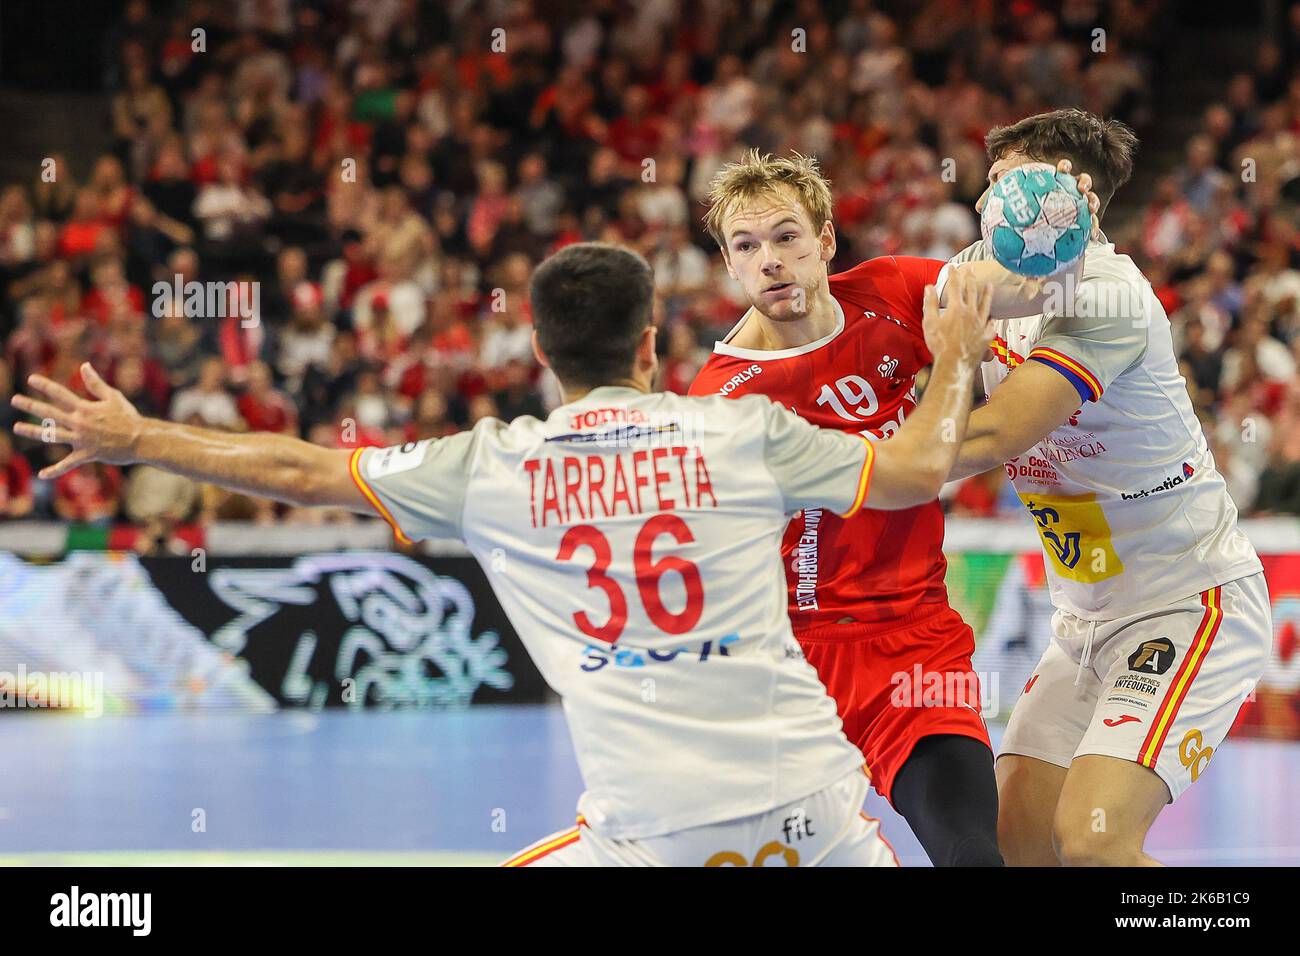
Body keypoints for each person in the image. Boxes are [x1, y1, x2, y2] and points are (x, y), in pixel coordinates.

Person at [12, 242, 995, 867]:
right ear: (650, 347)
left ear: (540, 352)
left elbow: (300, 471)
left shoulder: (494, 466)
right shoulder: (741, 429)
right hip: (817, 817)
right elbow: (916, 469)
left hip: (650, 835)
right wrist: (953, 353)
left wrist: (140, 438)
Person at [941, 108, 1272, 866]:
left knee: (1094, 841)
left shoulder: (1109, 293)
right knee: (1019, 844)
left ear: (1071, 192)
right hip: (1082, 619)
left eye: (1010, 183)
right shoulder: (977, 270)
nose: (989, 201)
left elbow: (994, 436)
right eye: (988, 183)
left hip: (1186, 602)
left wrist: (837, 463)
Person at [690, 150, 1007, 866]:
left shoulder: (890, 290)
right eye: (747, 247)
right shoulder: (723, 401)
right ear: (729, 265)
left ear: (826, 240)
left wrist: (1061, 239)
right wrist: (955, 362)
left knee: (971, 855)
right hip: (788, 662)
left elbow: (1011, 290)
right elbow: (916, 474)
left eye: (786, 237)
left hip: (914, 642)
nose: (770, 260)